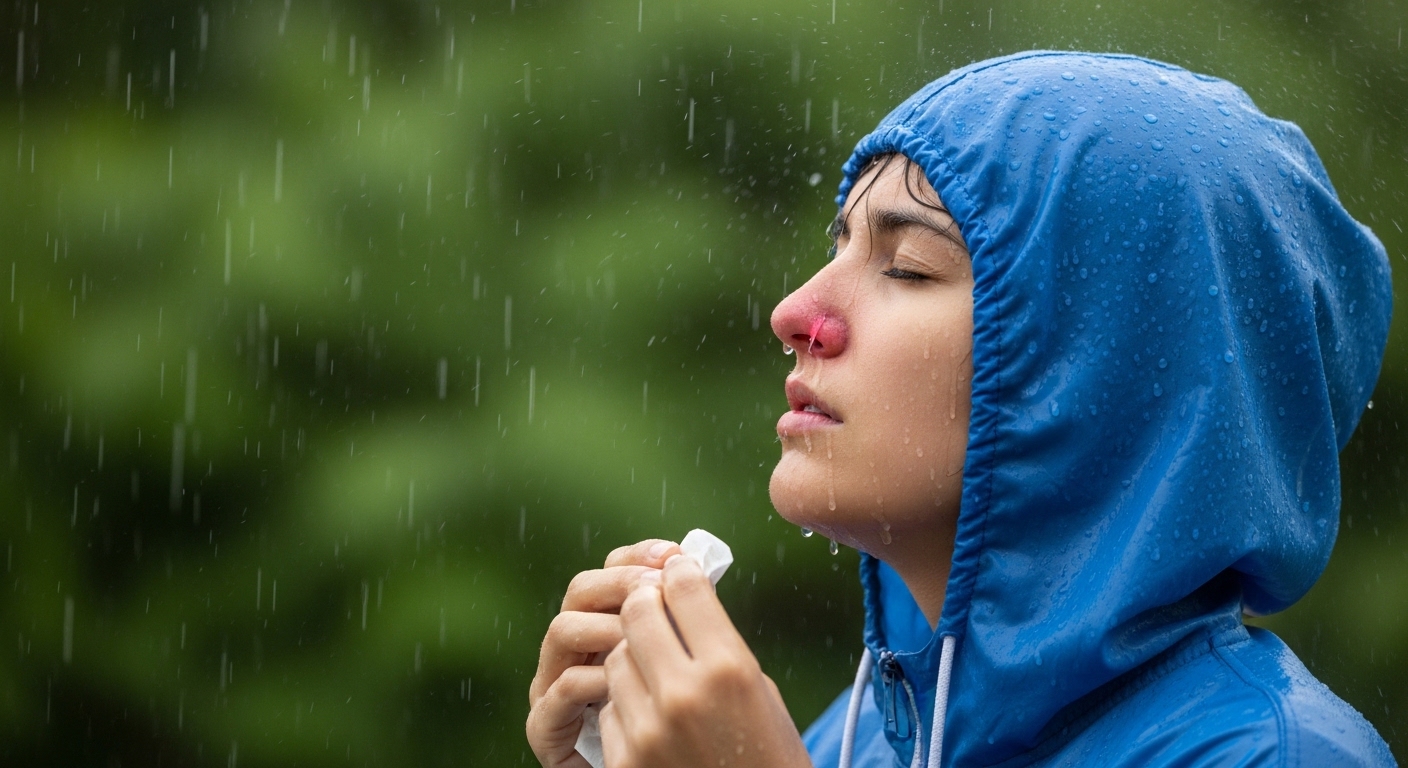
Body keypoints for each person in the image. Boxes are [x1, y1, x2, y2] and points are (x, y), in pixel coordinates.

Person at [526, 51, 1397, 767]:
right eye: (839, 246)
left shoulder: (1278, 756)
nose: (796, 313)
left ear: (1091, 368)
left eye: (906, 267)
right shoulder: (854, 743)